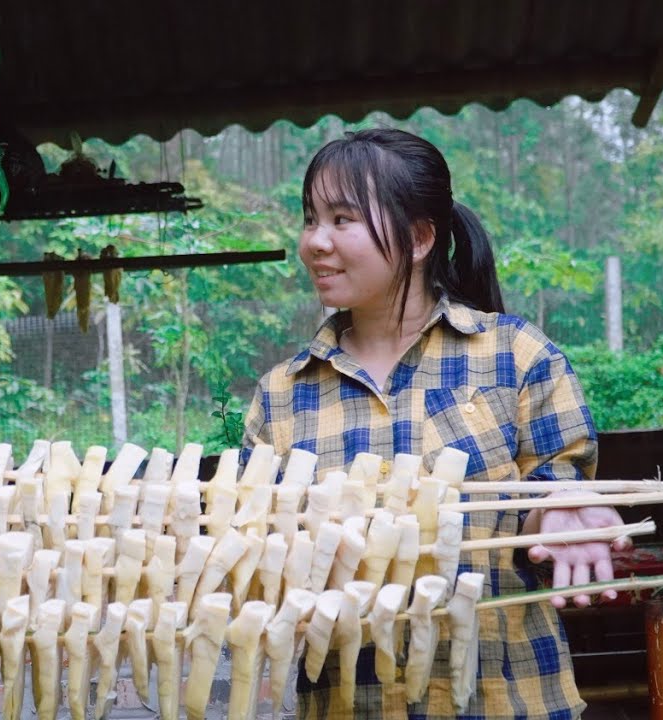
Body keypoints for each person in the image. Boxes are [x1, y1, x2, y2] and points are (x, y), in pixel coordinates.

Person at [243, 128, 630, 718]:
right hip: (353, 705)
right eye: (309, 218)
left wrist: (560, 504)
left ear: (420, 237)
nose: (314, 242)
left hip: (506, 699)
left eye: (342, 218)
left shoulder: (517, 357)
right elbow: (259, 553)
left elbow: (551, 493)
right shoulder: (281, 396)